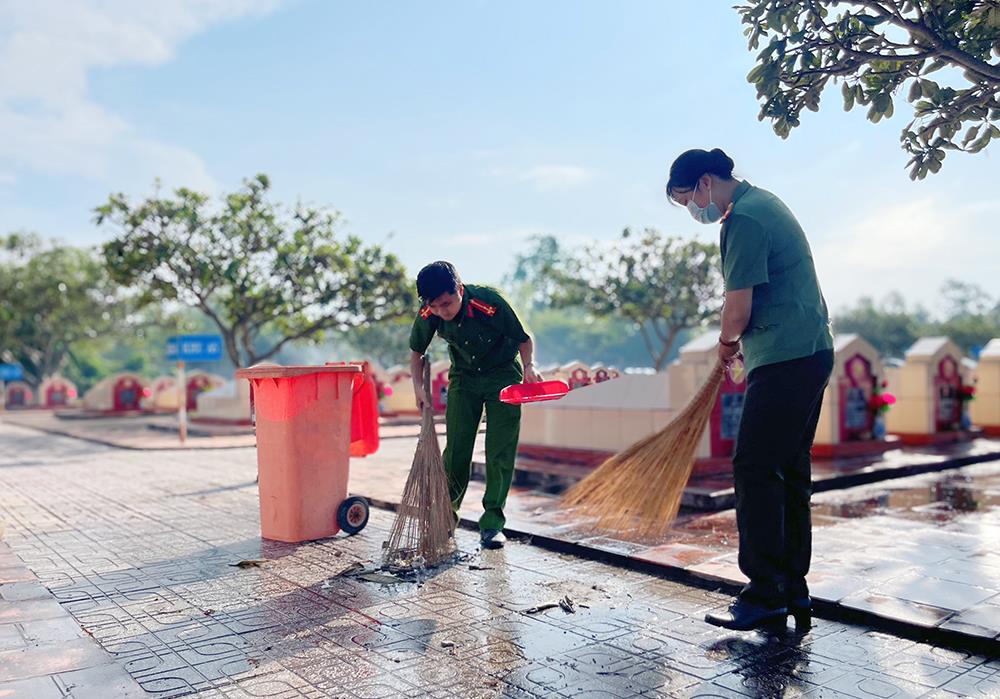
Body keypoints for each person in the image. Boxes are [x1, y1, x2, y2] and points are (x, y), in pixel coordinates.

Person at [666, 148, 834, 631]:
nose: (693, 212)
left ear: (703, 183)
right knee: (787, 473)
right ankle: (792, 589)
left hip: (787, 357)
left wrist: (725, 344)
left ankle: (764, 593)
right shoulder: (764, 203)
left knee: (755, 467)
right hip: (806, 351)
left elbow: (737, 308)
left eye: (687, 200)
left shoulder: (744, 220)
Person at [408, 261, 543, 549]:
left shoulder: (489, 301)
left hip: (503, 375)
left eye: (448, 303)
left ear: (459, 289)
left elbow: (523, 339)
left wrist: (530, 367)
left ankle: (493, 523)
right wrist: (418, 388)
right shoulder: (429, 310)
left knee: (499, 450)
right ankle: (445, 518)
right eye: (436, 307)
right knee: (456, 450)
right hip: (464, 379)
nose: (443, 311)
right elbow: (416, 351)